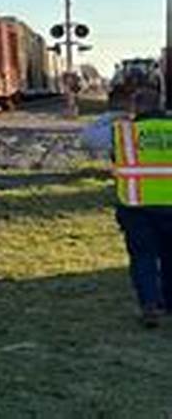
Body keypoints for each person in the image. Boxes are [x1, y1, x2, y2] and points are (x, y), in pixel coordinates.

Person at [97, 112, 172, 327]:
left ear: (135, 107)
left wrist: (112, 116)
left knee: (143, 257)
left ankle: (149, 305)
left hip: (136, 205)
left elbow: (89, 138)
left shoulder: (125, 132)